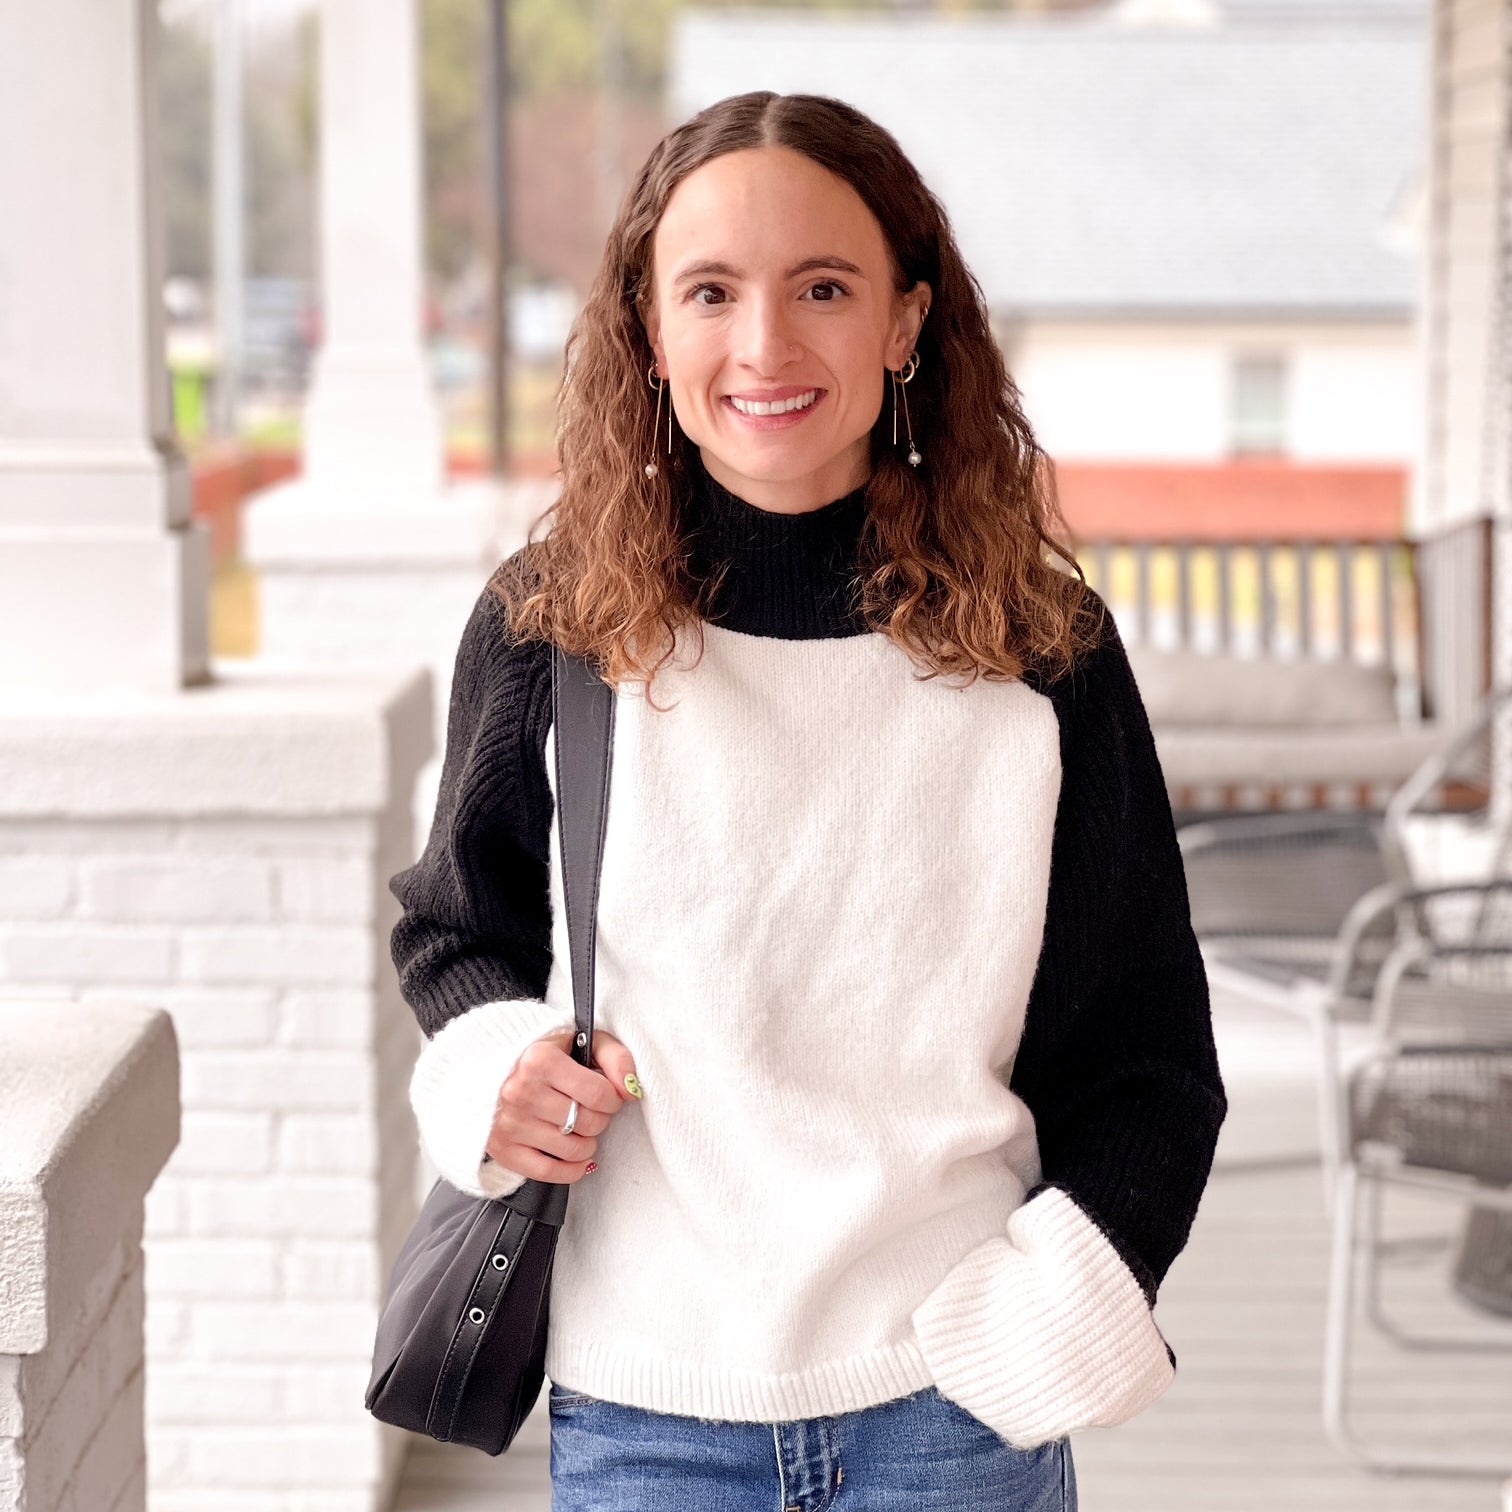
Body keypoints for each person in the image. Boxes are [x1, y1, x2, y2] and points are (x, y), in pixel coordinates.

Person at [389, 90, 1227, 1512]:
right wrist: (499, 1075)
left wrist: (1046, 1316)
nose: (765, 345)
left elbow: (1146, 1057)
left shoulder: (1041, 653)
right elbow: (457, 932)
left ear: (906, 322)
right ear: (649, 331)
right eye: (711, 291)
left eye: (824, 288)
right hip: (645, 1414)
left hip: (953, 1412)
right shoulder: (553, 628)